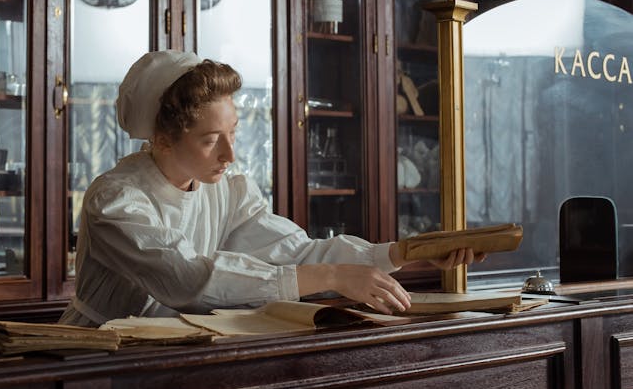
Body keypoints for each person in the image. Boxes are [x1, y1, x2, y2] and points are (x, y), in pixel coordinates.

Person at [59, 50, 484, 326]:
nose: (229, 154)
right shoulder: (115, 199)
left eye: (233, 133)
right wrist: (335, 275)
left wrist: (408, 252)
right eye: (210, 140)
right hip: (97, 358)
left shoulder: (229, 191)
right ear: (163, 138)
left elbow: (295, 253)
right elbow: (187, 279)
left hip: (182, 349)